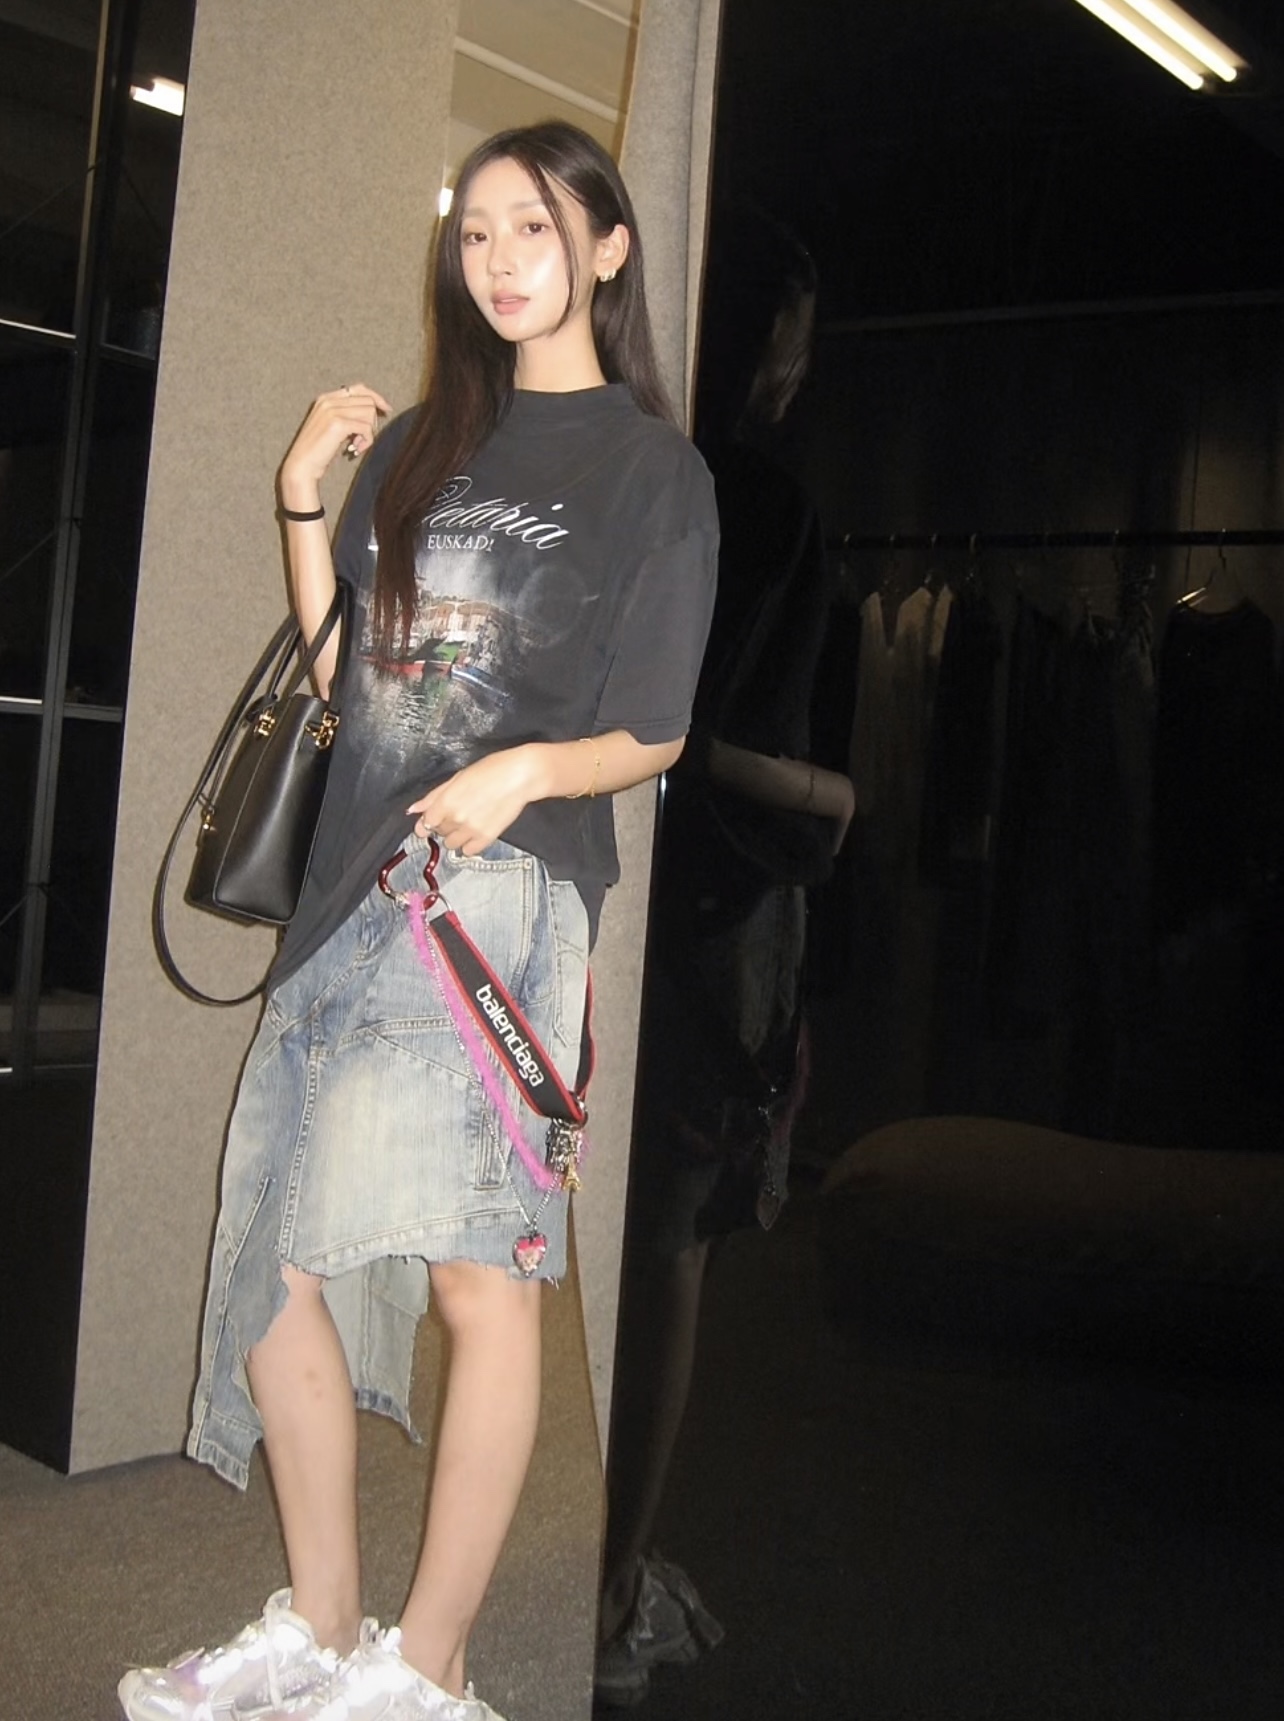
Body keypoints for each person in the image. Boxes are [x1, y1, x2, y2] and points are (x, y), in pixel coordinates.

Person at [119, 121, 717, 1721]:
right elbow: (352, 683)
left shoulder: (654, 471)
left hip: (494, 906)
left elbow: (655, 725)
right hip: (348, 891)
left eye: (536, 226)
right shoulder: (424, 444)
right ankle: (324, 1626)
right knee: (269, 1262)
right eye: (476, 233)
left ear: (607, 247)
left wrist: (527, 768)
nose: (500, 259)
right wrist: (299, 500)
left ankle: (427, 1665)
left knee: (479, 1279)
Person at [595, 208, 852, 1707]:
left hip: (594, 881)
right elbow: (736, 746)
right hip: (717, 905)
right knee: (670, 1250)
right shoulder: (765, 503)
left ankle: (575, 1553)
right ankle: (611, 1576)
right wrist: (830, 803)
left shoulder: (622, 470)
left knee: (570, 1218)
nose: (798, 370)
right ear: (768, 346)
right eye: (796, 342)